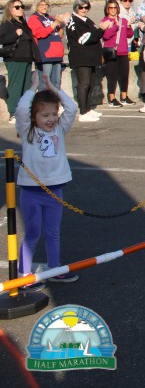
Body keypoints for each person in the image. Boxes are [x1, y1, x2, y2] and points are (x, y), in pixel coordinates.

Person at [15, 72, 80, 284]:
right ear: (34, 117)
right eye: (45, 115)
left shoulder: (60, 129)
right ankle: (23, 274)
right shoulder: (27, 131)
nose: (51, 119)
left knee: (53, 232)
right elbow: (21, 109)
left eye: (53, 114)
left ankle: (54, 268)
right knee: (32, 233)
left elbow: (71, 108)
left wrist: (54, 89)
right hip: (31, 192)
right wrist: (32, 88)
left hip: (55, 191)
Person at [1, 0, 42, 123]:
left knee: (25, 87)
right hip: (14, 58)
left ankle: (24, 112)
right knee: (16, 86)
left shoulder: (23, 23)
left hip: (26, 58)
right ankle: (13, 113)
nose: (21, 9)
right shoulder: (7, 24)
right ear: (10, 9)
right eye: (17, 7)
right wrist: (15, 34)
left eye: (22, 7)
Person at [65, 0, 106, 122]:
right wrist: (101, 29)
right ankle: (83, 112)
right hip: (81, 57)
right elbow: (84, 39)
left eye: (86, 7)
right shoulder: (74, 21)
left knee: (91, 83)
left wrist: (99, 31)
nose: (84, 9)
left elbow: (94, 36)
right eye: (81, 7)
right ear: (76, 7)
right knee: (84, 84)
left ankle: (88, 109)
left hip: (91, 57)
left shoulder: (86, 20)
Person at [27, 0, 68, 91]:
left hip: (57, 54)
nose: (44, 7)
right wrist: (55, 23)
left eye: (46, 5)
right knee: (45, 83)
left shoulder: (51, 18)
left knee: (56, 83)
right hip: (45, 54)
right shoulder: (34, 18)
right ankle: (43, 100)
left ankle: (55, 100)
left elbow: (59, 35)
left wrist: (62, 25)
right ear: (36, 6)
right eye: (41, 5)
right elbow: (40, 34)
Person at [101, 0, 134, 108]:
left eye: (115, 7)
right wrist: (115, 26)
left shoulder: (123, 20)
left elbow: (129, 35)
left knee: (124, 75)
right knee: (112, 76)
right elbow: (105, 36)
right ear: (107, 9)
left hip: (123, 52)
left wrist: (128, 26)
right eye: (110, 7)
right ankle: (111, 98)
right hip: (111, 52)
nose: (113, 9)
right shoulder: (105, 21)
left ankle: (124, 97)